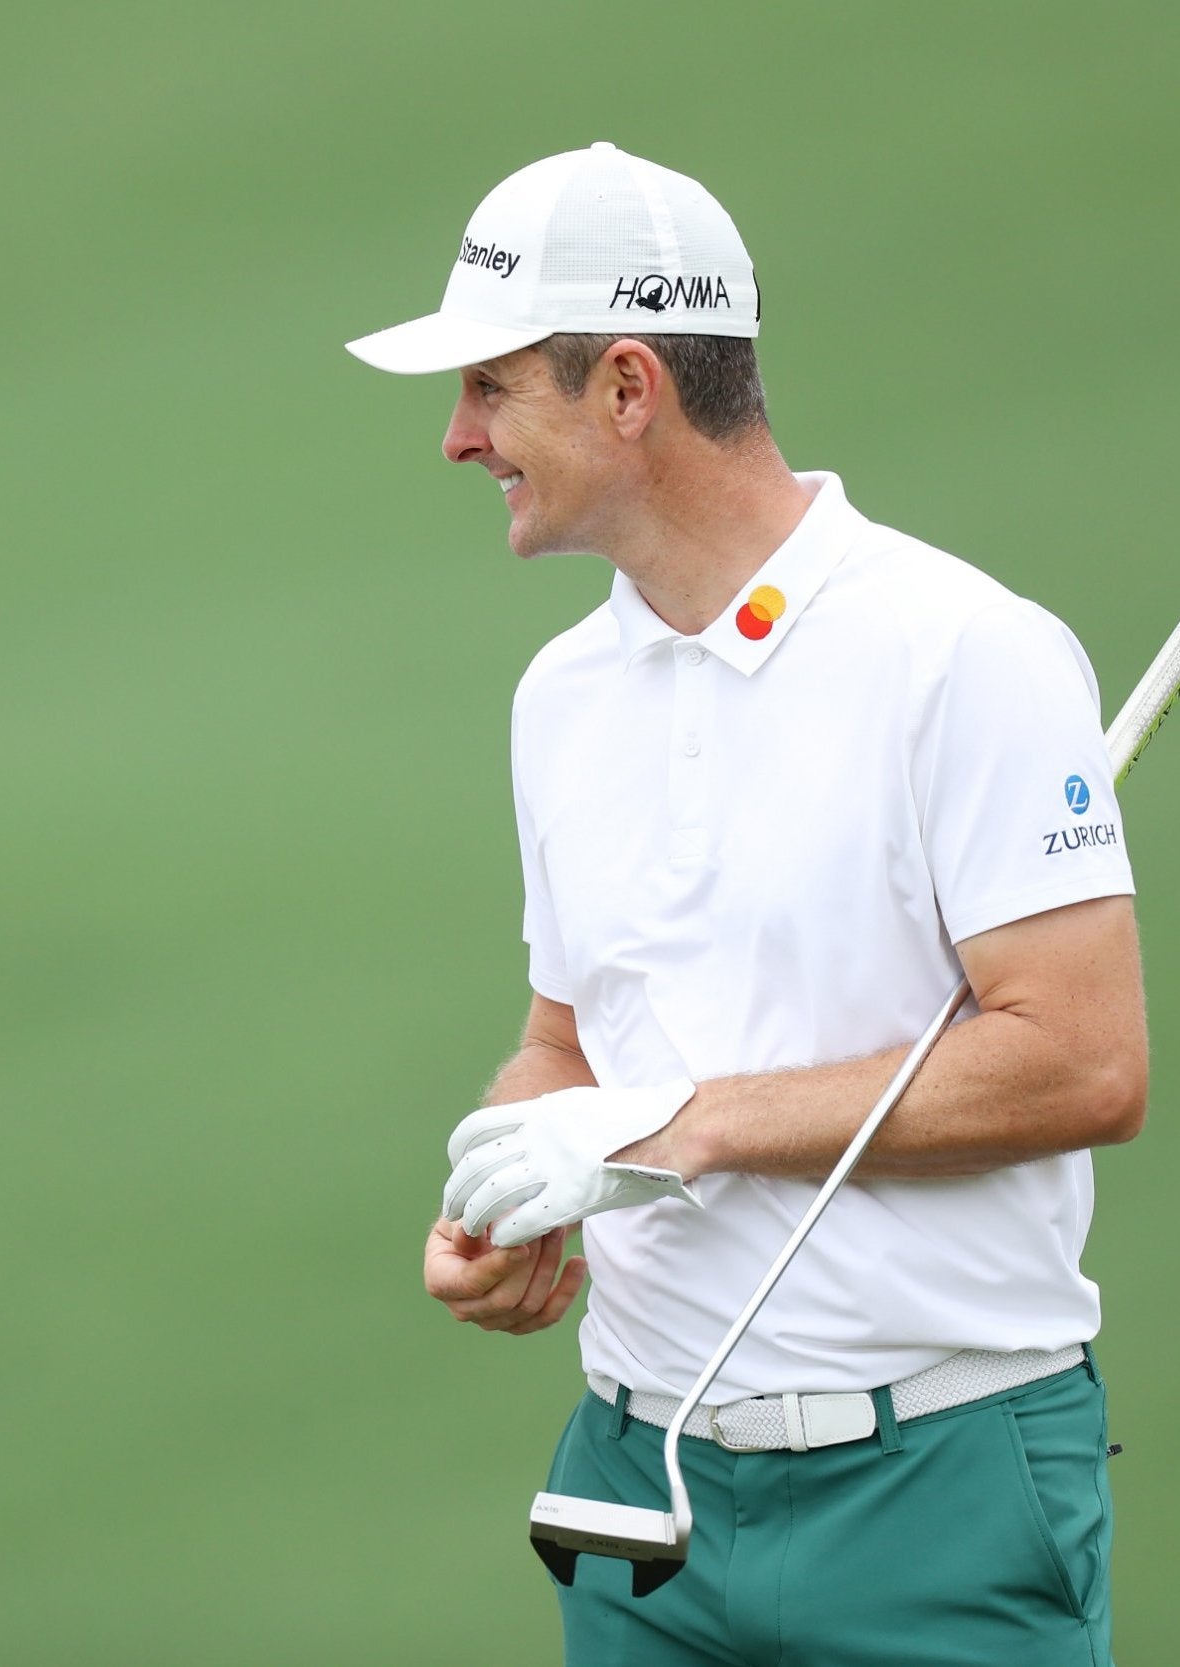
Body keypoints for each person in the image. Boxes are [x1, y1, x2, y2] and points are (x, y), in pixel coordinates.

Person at [348, 142, 1145, 1664]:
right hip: (638, 1486)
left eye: (490, 389)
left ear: (628, 387)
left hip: (942, 1486)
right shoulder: (560, 693)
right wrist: (513, 1177)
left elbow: (1081, 1063)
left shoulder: (961, 651)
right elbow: (570, 1039)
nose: (456, 439)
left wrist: (670, 1129)